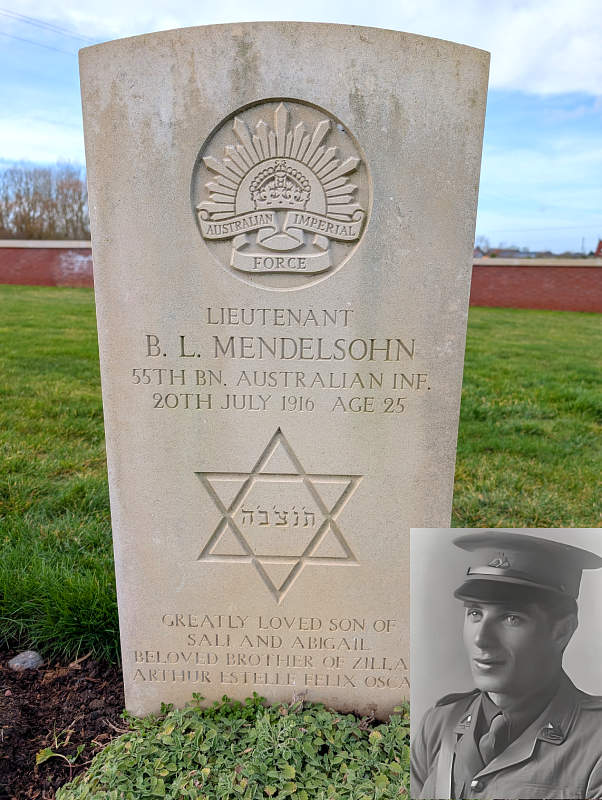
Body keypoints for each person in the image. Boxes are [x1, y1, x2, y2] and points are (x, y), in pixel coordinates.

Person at [411, 531, 602, 799]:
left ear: (562, 632)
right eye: (475, 613)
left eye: (511, 618)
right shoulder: (439, 723)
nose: (481, 639)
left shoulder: (595, 742)